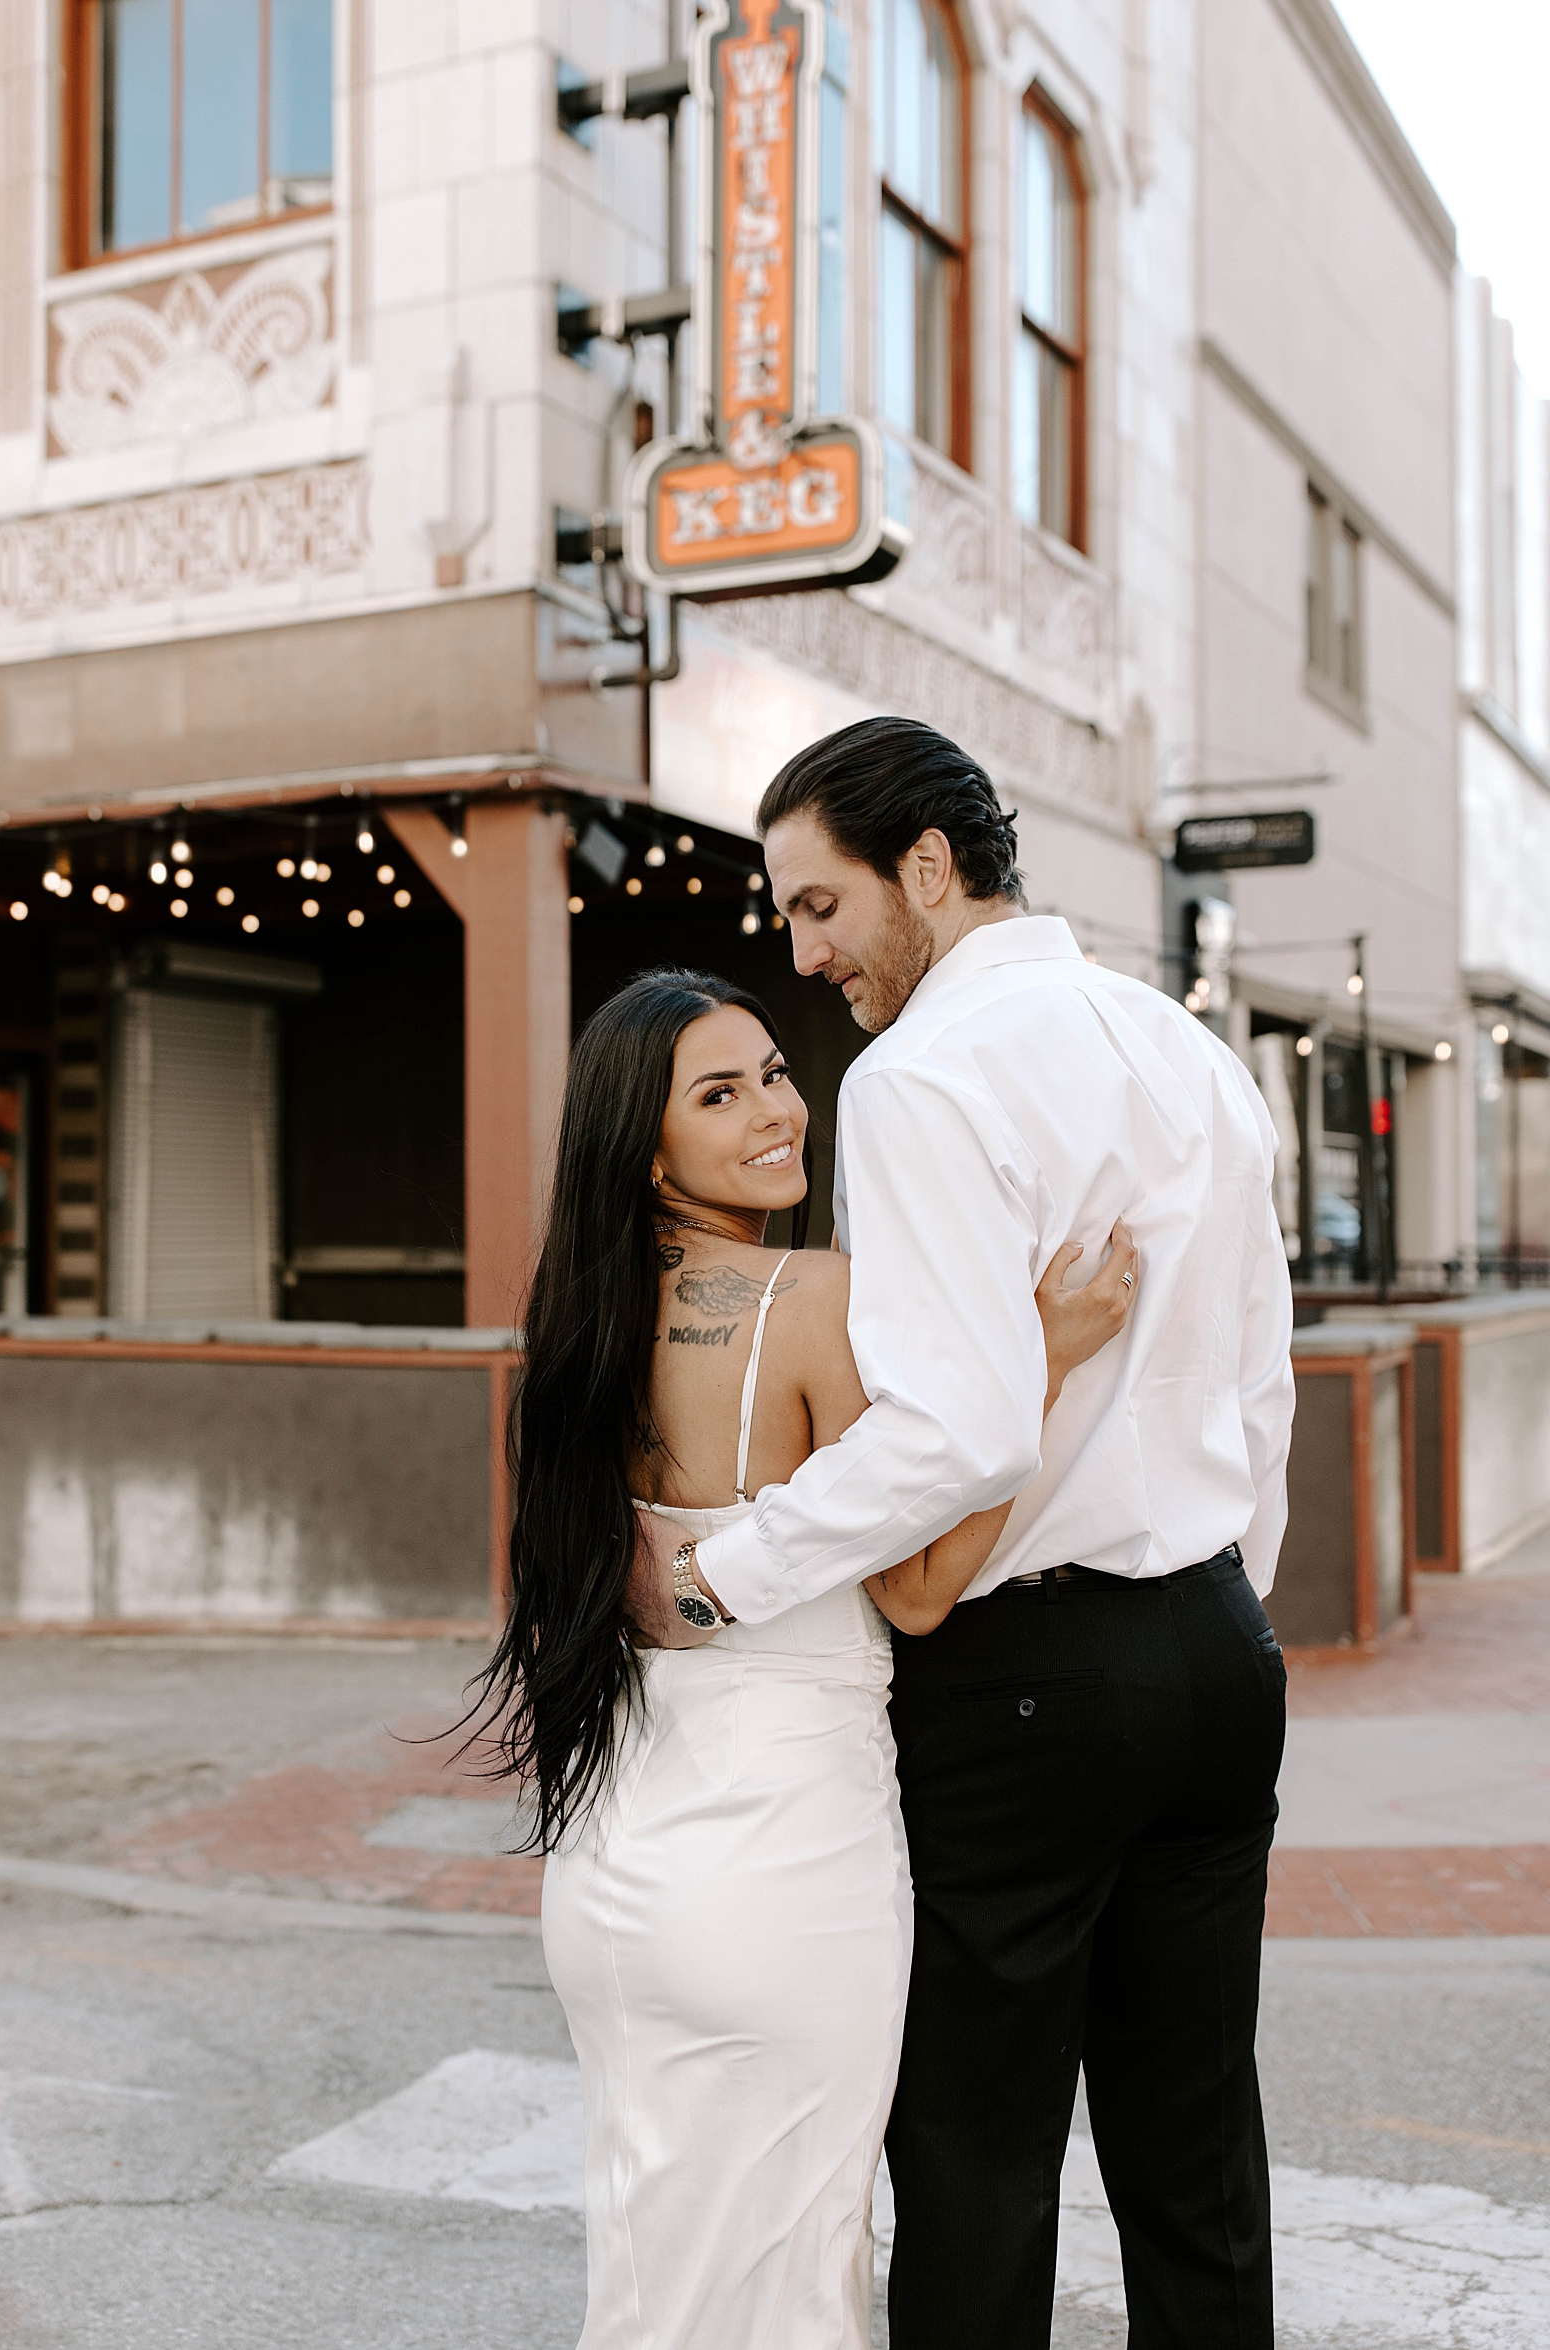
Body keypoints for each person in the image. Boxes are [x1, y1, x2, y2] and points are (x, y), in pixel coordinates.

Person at [634, 719, 1296, 2350]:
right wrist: (1221, 1604)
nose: (806, 955)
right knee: (1198, 2157)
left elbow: (960, 1429)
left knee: (978, 2163)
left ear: (926, 865)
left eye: (819, 905)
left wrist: (724, 1571)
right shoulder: (1189, 1051)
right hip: (1218, 1650)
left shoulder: (921, 1075)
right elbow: (1260, 1382)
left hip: (1028, 1679)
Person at [469, 966, 1134, 2350]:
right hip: (782, 1865)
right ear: (649, 1148)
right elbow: (922, 1586)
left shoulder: (580, 1326)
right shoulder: (818, 1299)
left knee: (656, 2262)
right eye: (720, 1095)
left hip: (613, 1870)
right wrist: (1042, 1360)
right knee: (789, 2264)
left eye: (774, 1072)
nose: (778, 1111)